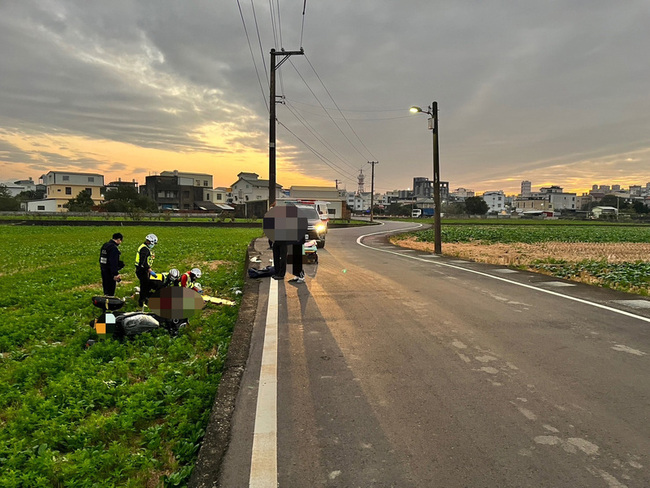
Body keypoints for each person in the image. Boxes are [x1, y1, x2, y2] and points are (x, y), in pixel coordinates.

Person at [135, 233, 158, 307]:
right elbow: (143, 262)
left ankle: (145, 298)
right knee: (144, 285)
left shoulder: (145, 247)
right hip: (142, 270)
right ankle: (142, 302)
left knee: (146, 284)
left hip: (142, 270)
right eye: (153, 243)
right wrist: (149, 270)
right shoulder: (144, 250)